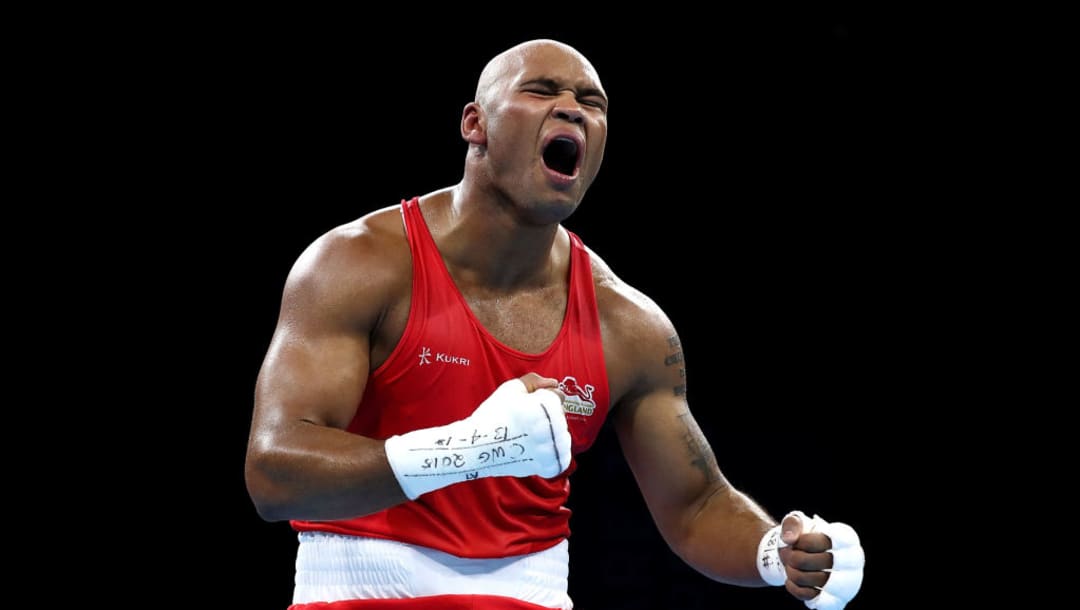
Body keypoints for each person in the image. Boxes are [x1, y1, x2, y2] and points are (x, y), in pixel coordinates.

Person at [245, 38, 865, 610]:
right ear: (475, 124)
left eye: (591, 103)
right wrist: (468, 449)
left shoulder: (628, 324)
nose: (571, 109)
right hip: (358, 591)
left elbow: (696, 504)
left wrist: (775, 552)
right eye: (541, 91)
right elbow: (275, 475)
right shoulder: (359, 263)